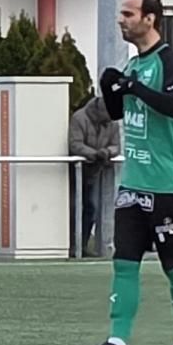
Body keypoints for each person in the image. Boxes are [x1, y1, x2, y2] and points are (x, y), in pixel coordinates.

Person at [76, 0, 173, 345]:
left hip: (167, 185)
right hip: (133, 183)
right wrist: (111, 85)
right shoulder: (133, 65)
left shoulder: (169, 61)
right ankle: (117, 342)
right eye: (122, 13)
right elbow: (116, 112)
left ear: (150, 18)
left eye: (129, 14)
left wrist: (135, 87)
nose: (121, 20)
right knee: (124, 260)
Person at [68, 95, 121, 256]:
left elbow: (116, 145)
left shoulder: (112, 121)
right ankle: (72, 245)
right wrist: (94, 154)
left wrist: (107, 152)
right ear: (100, 111)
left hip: (98, 171)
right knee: (75, 207)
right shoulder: (79, 118)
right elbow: (75, 144)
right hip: (77, 171)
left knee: (92, 208)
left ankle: (82, 245)